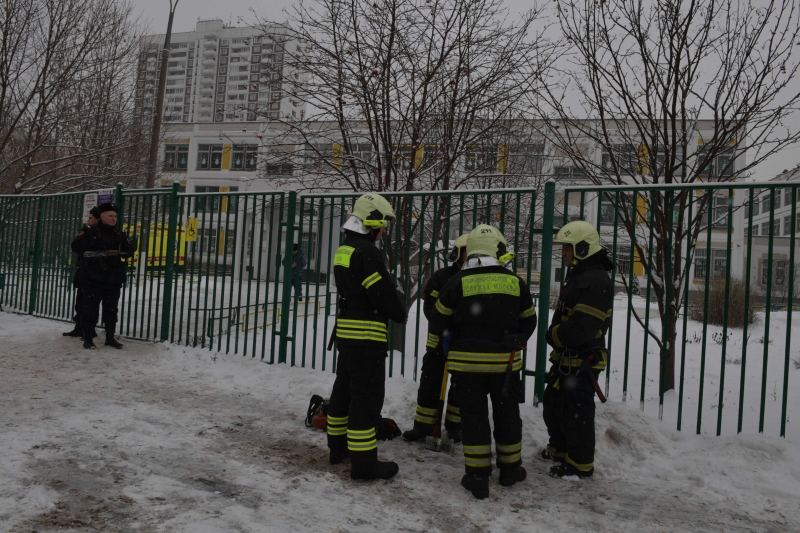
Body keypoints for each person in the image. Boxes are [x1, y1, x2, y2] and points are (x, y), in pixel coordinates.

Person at [430, 224, 536, 499]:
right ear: (497, 249)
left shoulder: (456, 282)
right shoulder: (515, 282)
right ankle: (511, 470)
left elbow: (437, 319)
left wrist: (454, 333)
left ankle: (477, 477)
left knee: (473, 417)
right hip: (505, 366)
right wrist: (514, 338)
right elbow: (529, 320)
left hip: (468, 367)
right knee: (508, 415)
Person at [327, 192, 406, 480]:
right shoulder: (368, 252)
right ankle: (364, 465)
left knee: (343, 392)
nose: (384, 230)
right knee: (366, 399)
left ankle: (338, 449)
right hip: (366, 336)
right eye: (382, 224)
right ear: (370, 220)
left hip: (348, 333)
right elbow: (382, 293)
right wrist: (399, 312)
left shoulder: (345, 248)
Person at [542, 220, 613, 479]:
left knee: (577, 412)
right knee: (555, 405)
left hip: (582, 360)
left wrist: (553, 335)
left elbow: (580, 329)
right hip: (567, 359)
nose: (564, 254)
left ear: (583, 248)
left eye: (568, 249)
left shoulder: (595, 280)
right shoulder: (581, 275)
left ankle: (579, 465)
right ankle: (560, 450)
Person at [402, 233, 469, 443]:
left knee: (460, 385)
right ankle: (423, 425)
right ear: (458, 253)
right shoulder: (441, 277)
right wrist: (444, 328)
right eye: (468, 250)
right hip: (438, 343)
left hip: (463, 344)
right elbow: (429, 307)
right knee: (430, 383)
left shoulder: (477, 277)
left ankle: (455, 426)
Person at [71, 202, 133, 350]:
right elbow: (76, 247)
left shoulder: (119, 233)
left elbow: (129, 250)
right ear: (102, 217)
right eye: (110, 216)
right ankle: (88, 339)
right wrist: (94, 241)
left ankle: (110, 338)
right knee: (90, 309)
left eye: (115, 216)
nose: (113, 219)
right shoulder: (90, 231)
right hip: (93, 278)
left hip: (112, 279)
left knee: (111, 310)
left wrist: (125, 249)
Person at [63, 207, 100, 338]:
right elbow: (76, 246)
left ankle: (89, 329)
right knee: (80, 302)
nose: (88, 220)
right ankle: (79, 327)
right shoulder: (86, 231)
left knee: (91, 304)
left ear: (98, 219)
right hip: (84, 270)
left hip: (97, 272)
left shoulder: (107, 232)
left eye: (91, 218)